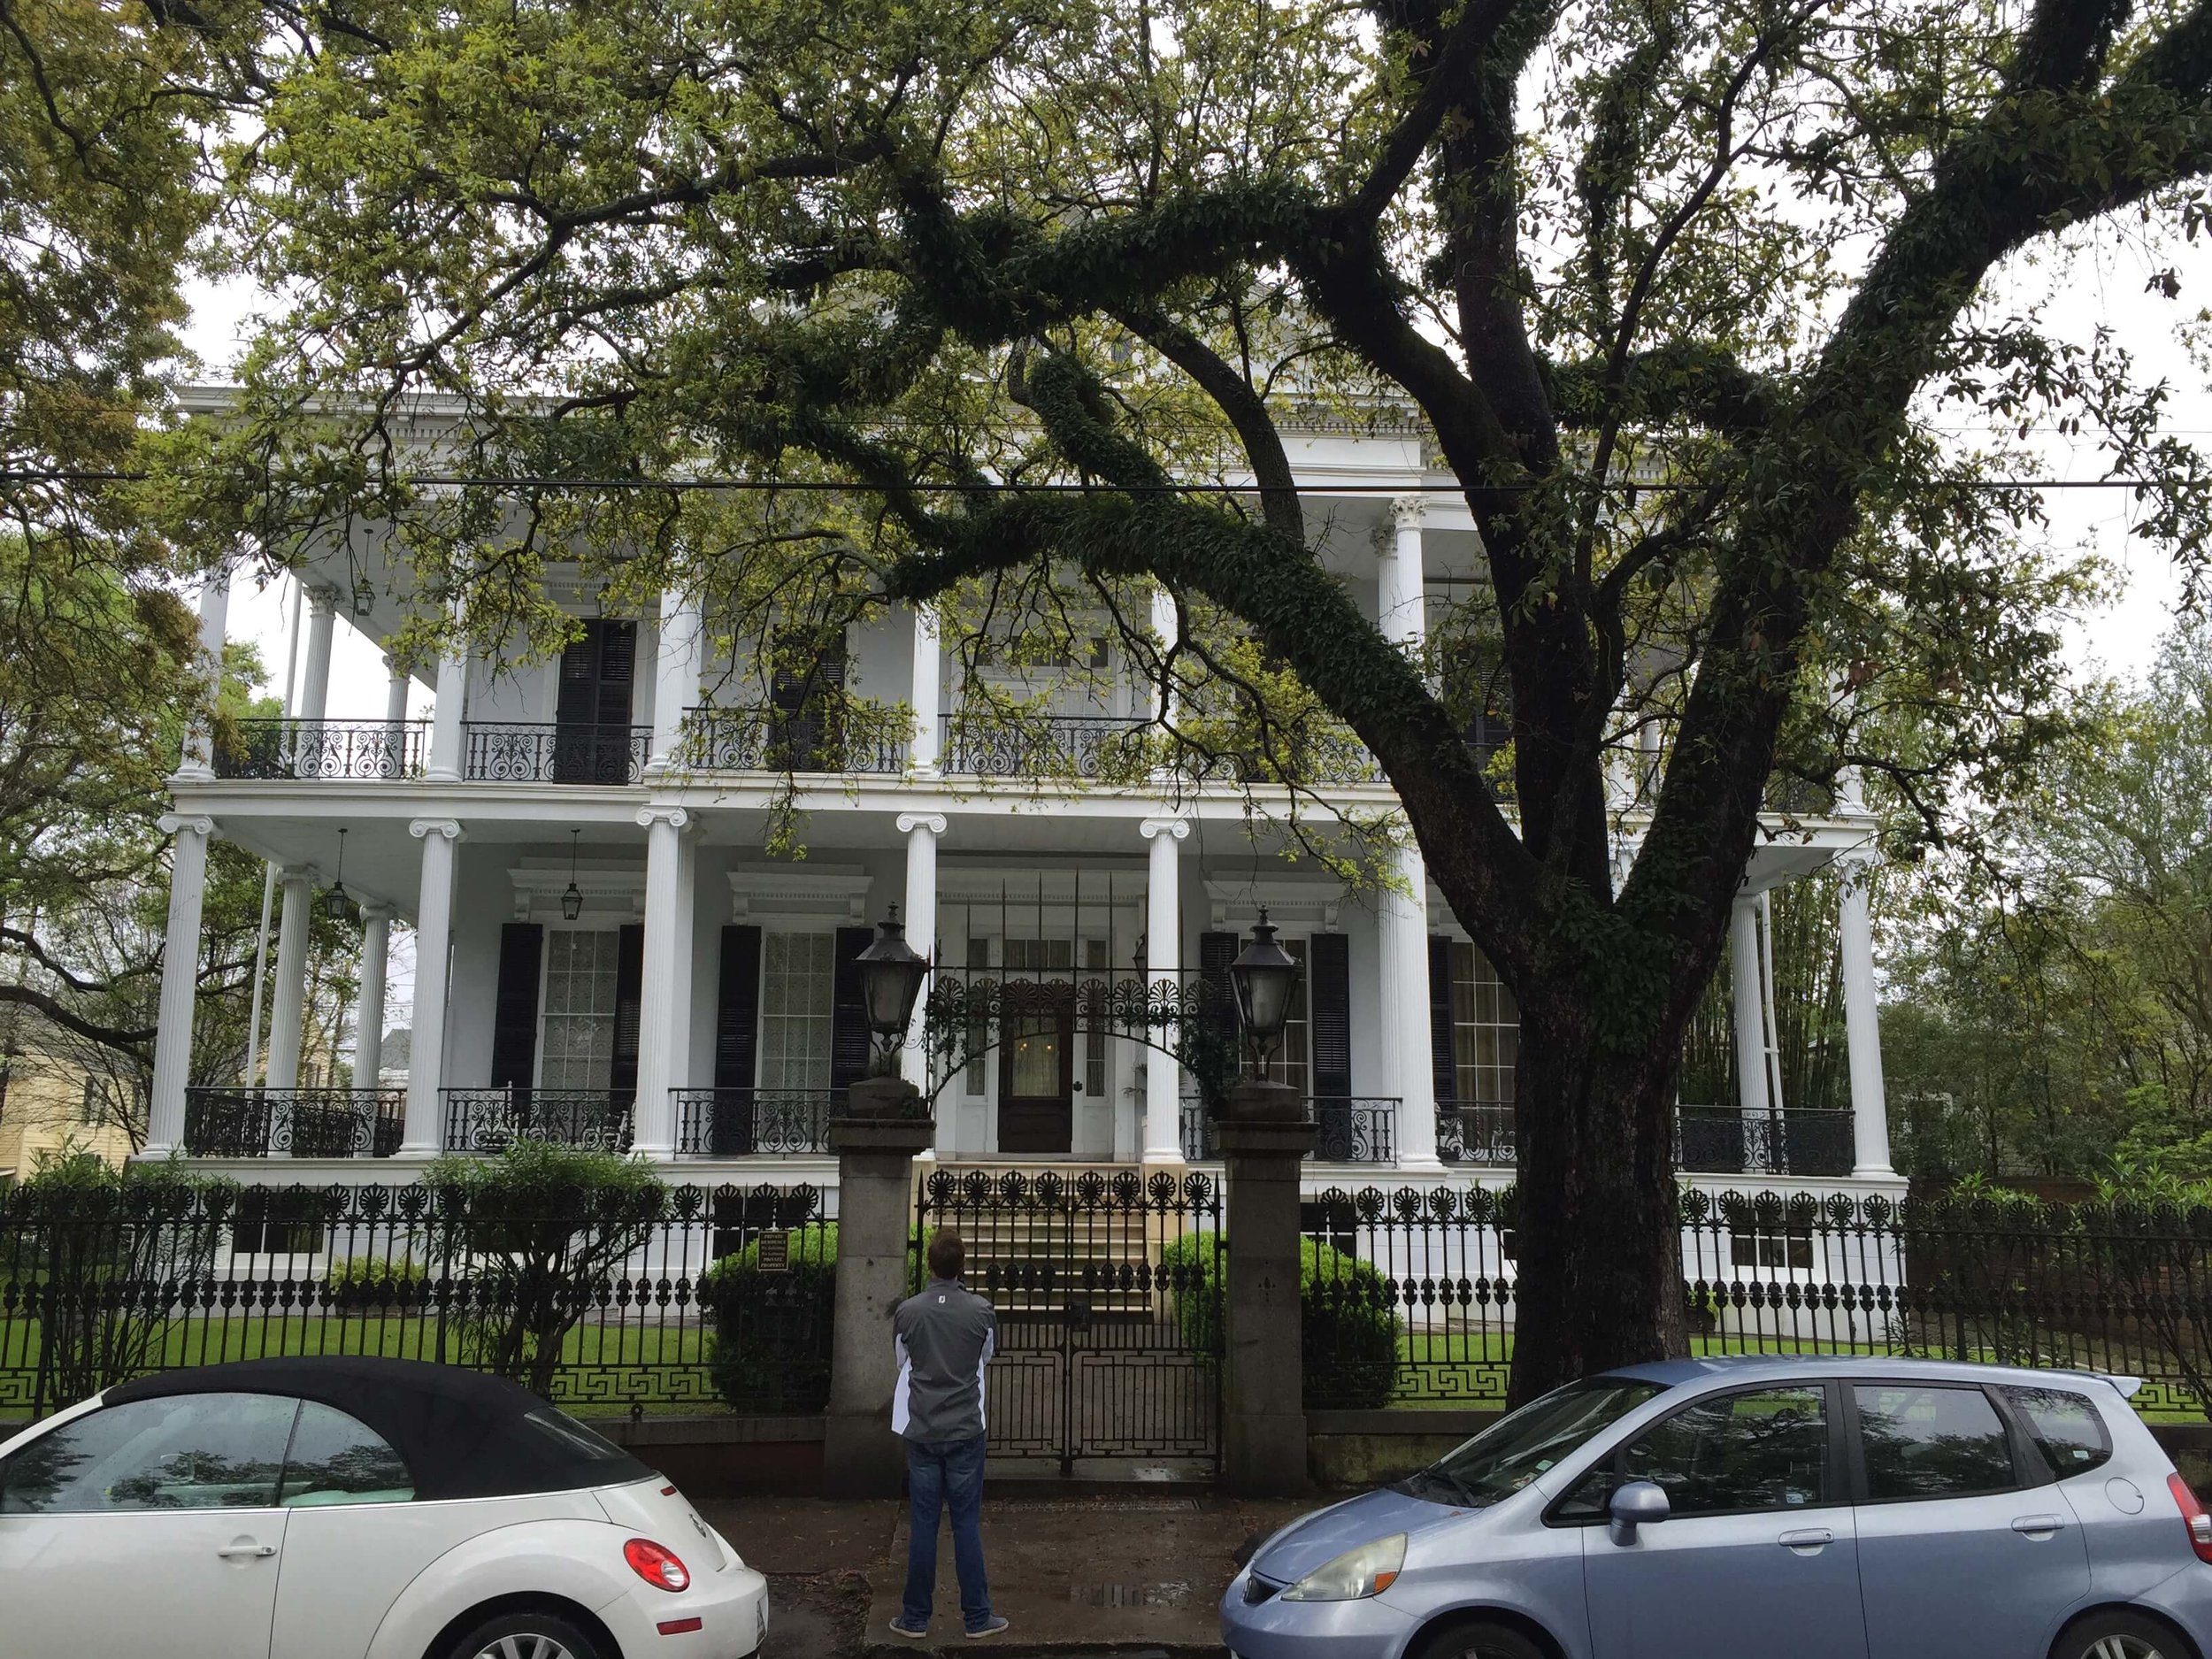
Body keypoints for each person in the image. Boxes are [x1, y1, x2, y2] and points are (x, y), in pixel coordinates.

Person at [887, 1228, 1007, 1640]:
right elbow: (985, 1356)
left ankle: (915, 1618)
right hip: (965, 1428)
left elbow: (902, 1360)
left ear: (929, 1265)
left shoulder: (907, 1312)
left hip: (922, 1429)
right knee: (966, 1523)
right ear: (963, 1266)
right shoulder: (981, 1311)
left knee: (923, 1523)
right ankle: (977, 1617)